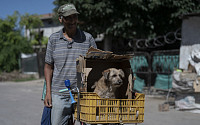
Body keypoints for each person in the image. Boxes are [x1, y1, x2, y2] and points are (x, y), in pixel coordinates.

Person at [44, 3, 97, 125]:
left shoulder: (88, 39)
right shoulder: (53, 39)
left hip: (83, 93)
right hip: (59, 93)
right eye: (68, 17)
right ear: (61, 19)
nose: (72, 21)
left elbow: (97, 65)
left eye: (74, 17)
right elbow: (48, 66)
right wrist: (48, 92)